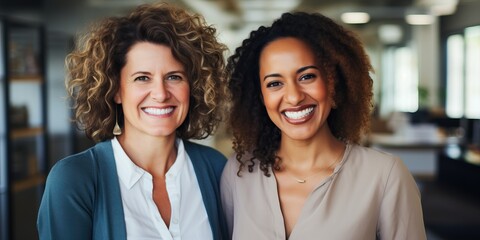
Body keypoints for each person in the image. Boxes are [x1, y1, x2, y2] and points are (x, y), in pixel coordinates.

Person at [221, 11, 427, 239]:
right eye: (275, 83)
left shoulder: (385, 177)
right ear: (260, 97)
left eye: (307, 77)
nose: (294, 97)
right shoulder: (238, 175)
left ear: (334, 82)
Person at [37, 2, 229, 239]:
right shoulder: (74, 179)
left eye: (174, 77)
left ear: (193, 87)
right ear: (116, 90)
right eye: (142, 78)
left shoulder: (216, 168)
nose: (160, 93)